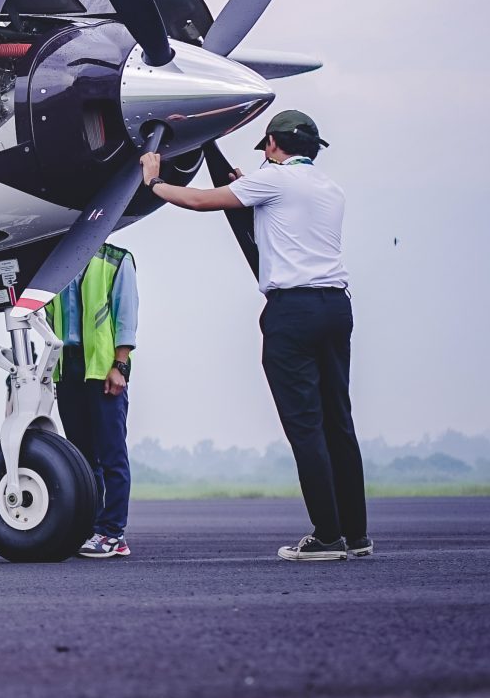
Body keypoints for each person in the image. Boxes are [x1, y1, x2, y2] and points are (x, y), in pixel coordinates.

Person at [143, 109, 369, 562]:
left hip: (293, 312)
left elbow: (200, 201)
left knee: (305, 426)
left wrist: (154, 182)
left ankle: (327, 536)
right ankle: (355, 533)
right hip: (336, 307)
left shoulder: (274, 181)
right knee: (338, 423)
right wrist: (247, 186)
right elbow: (284, 219)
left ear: (272, 144)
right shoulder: (329, 188)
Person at [48, 243, 137, 558]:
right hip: (67, 369)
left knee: (112, 455)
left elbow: (126, 315)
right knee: (83, 460)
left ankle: (113, 533)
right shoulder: (56, 260)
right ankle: (92, 530)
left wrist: (120, 366)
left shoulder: (116, 260)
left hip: (102, 369)